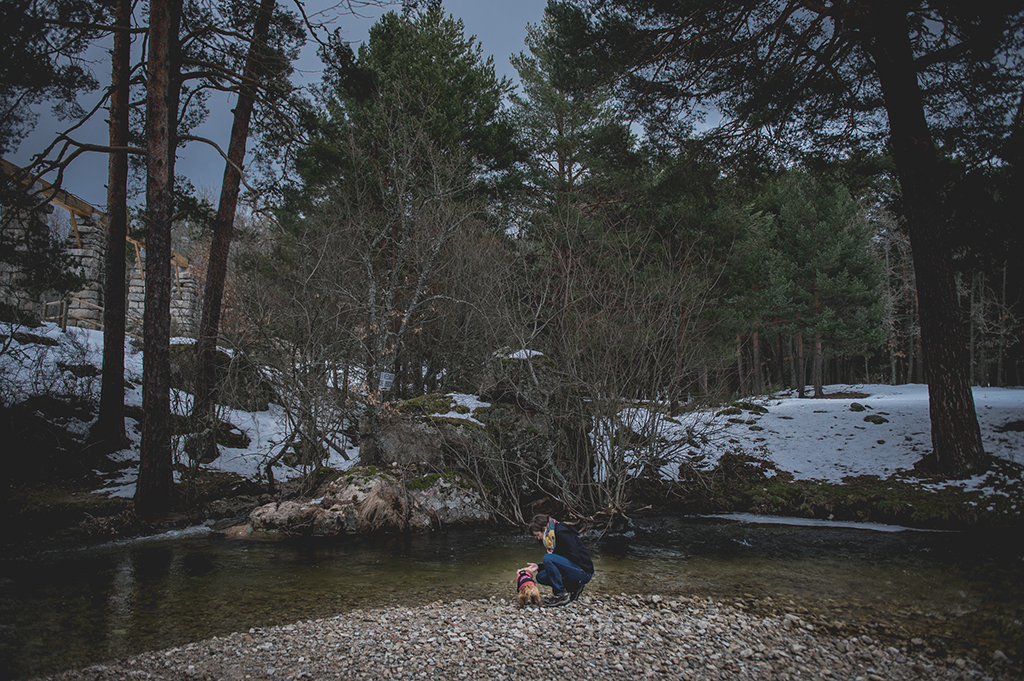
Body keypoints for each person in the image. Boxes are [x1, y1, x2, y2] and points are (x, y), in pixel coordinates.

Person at [527, 514, 594, 607]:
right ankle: (574, 587)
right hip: (574, 568)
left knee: (547, 558)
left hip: (584, 572)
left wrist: (554, 557)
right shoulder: (552, 536)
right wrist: (538, 566)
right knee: (541, 577)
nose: (538, 538)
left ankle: (561, 595)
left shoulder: (561, 532)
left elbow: (574, 557)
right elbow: (559, 562)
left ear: (543, 528)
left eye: (538, 535)